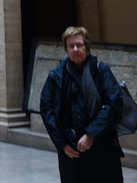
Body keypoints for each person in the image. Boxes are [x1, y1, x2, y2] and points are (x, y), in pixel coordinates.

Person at [40, 25, 124, 183]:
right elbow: (46, 109)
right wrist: (62, 144)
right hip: (71, 152)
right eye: (71, 46)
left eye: (79, 45)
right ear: (66, 49)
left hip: (102, 148)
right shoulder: (57, 75)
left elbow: (114, 105)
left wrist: (91, 134)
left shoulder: (101, 71)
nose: (75, 49)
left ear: (87, 47)